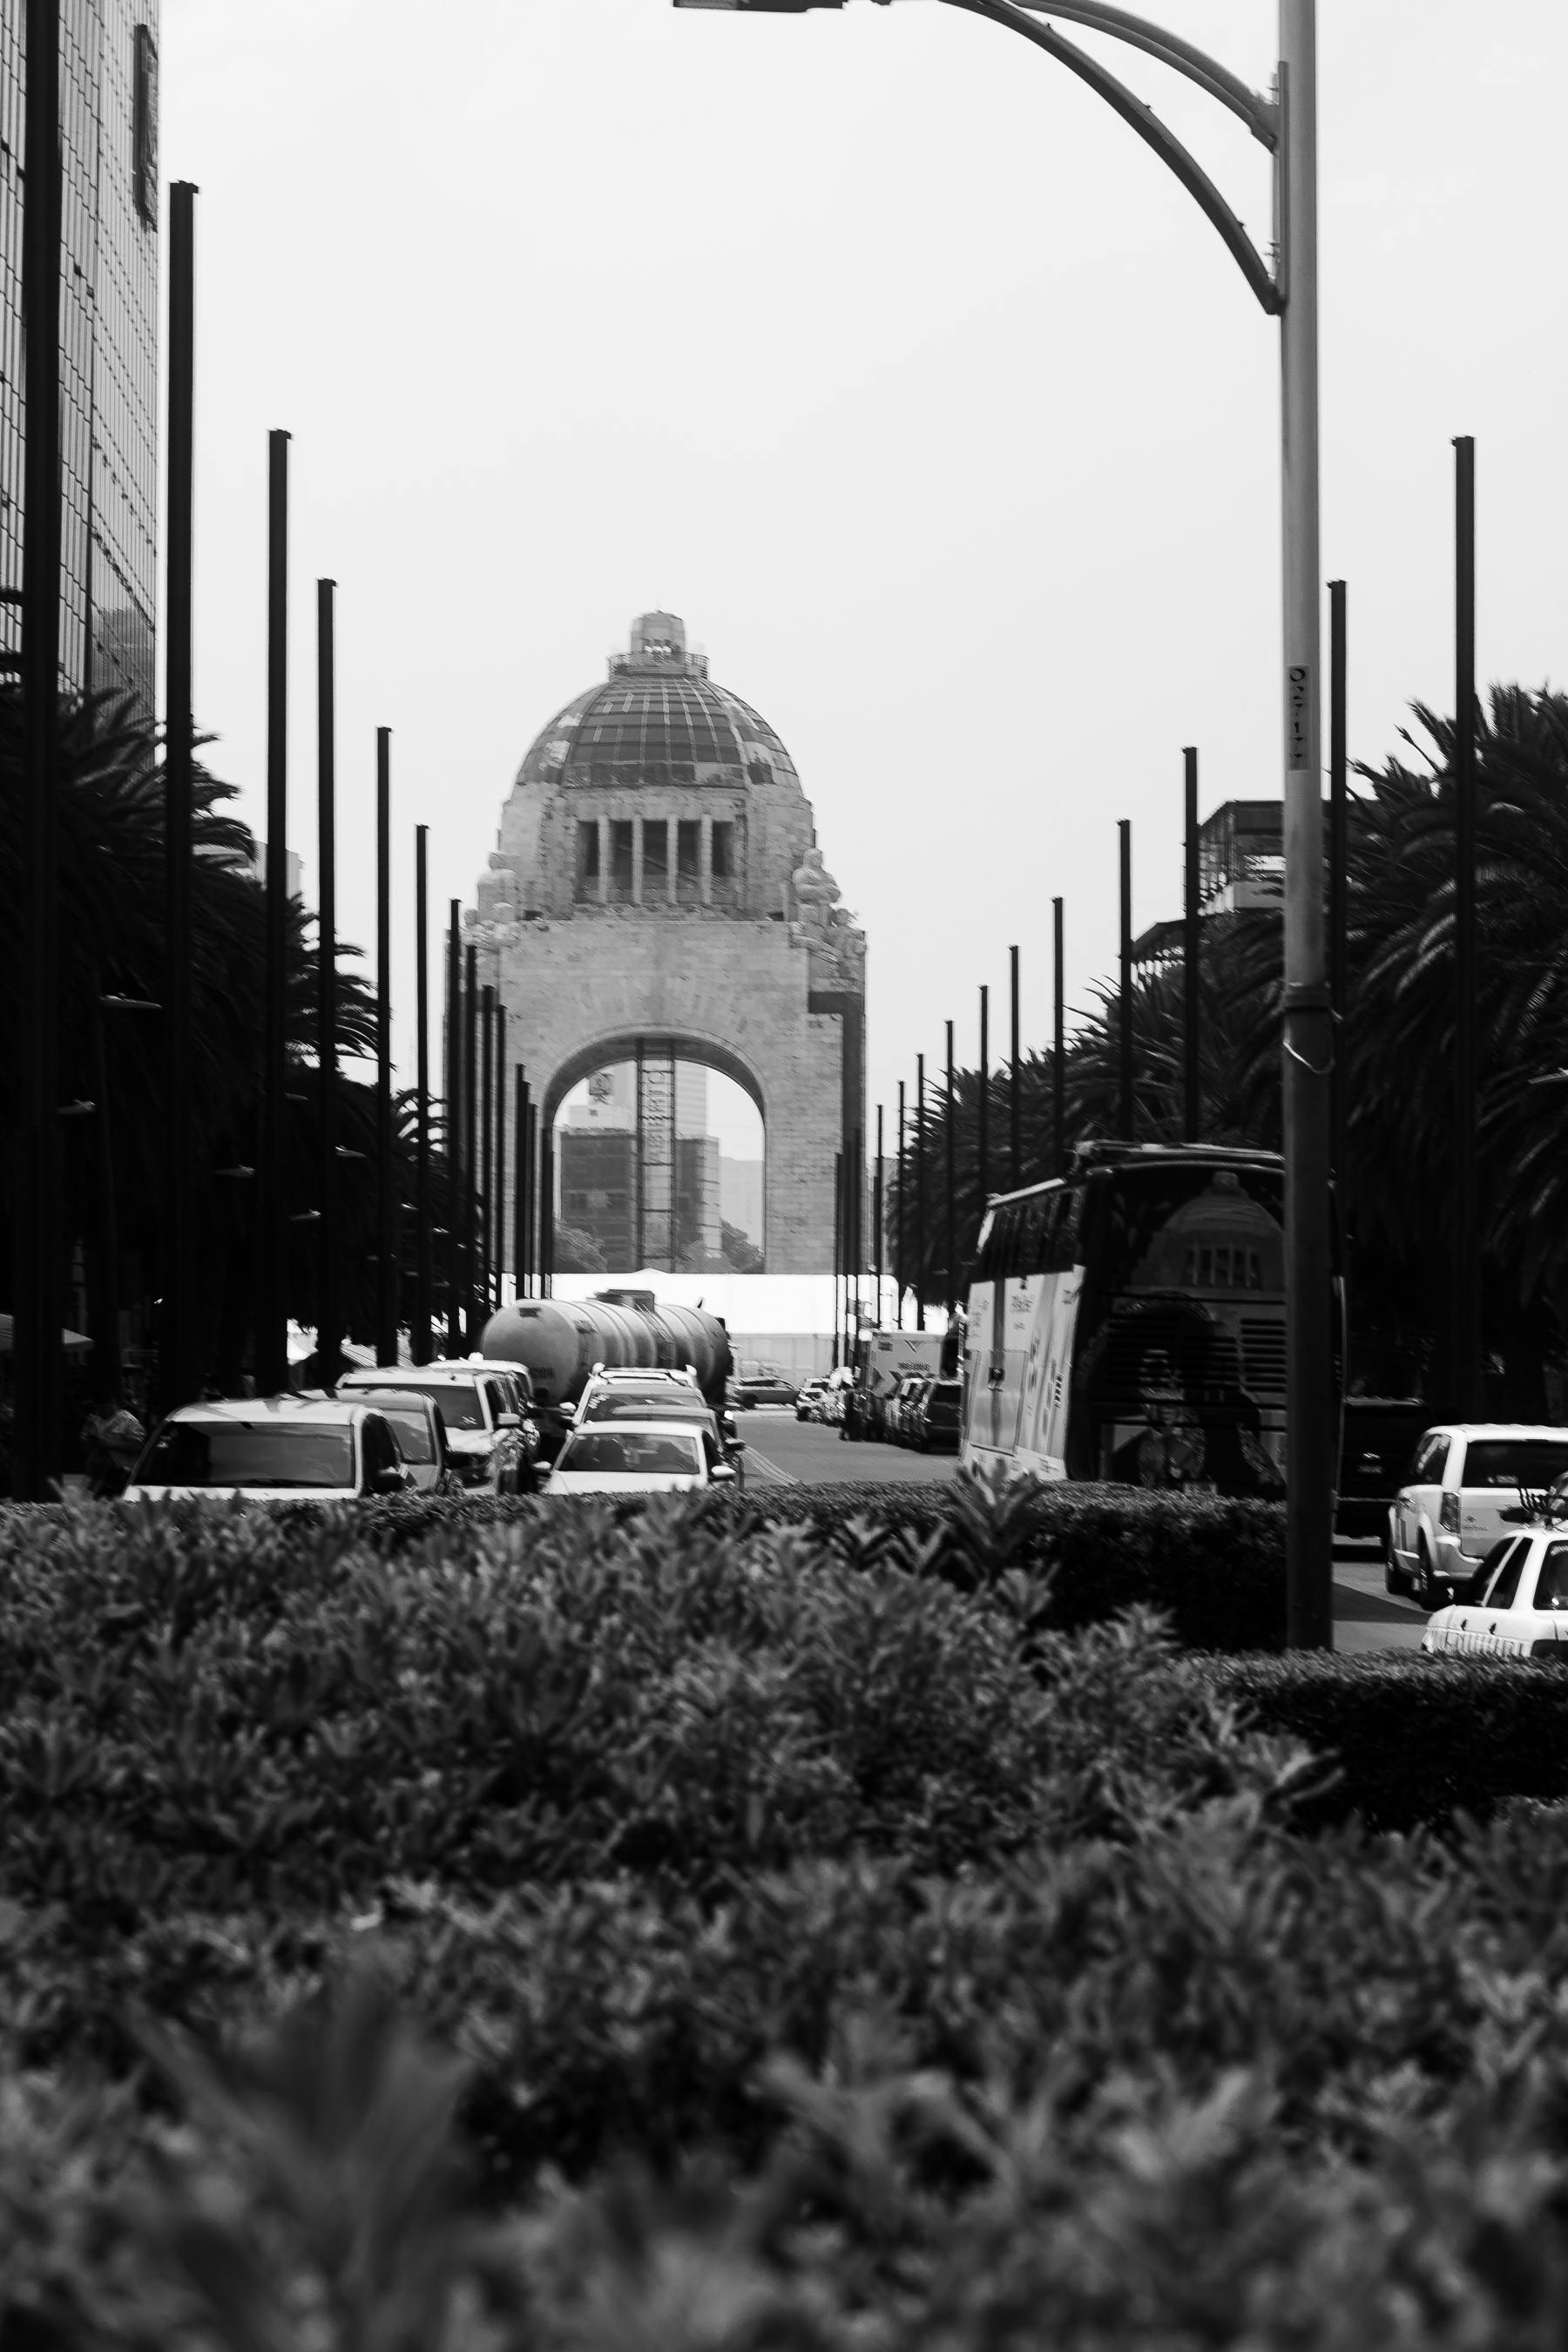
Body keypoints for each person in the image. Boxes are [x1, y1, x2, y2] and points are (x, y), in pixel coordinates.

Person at [80, 1396, 146, 1498]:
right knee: (89, 1500)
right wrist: (90, 1440)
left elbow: (138, 1445)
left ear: (113, 1404)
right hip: (96, 1472)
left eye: (103, 1407)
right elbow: (84, 1443)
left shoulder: (127, 1420)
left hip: (120, 1473)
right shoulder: (93, 1419)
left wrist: (110, 1444)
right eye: (97, 1408)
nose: (100, 1411)